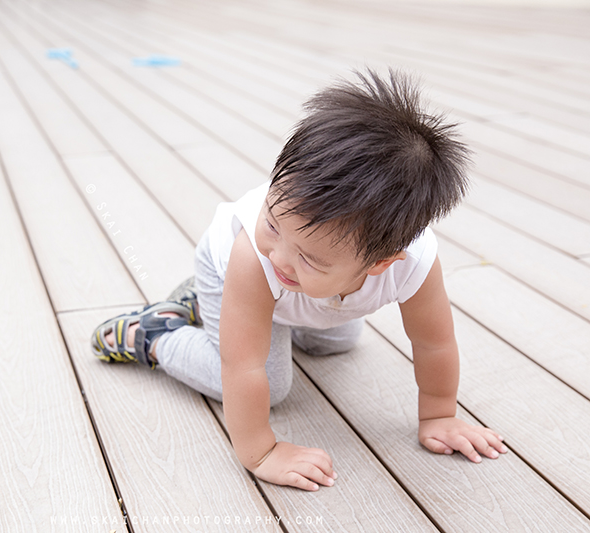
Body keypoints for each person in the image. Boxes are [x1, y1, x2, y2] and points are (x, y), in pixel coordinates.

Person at [90, 68, 508, 492]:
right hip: (231, 276)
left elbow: (433, 342)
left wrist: (438, 414)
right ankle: (155, 333)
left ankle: (238, 307)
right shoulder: (256, 256)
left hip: (314, 299)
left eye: (309, 257)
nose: (281, 257)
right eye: (271, 223)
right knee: (270, 384)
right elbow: (244, 366)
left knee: (337, 342)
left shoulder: (415, 264)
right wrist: (262, 451)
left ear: (382, 263)